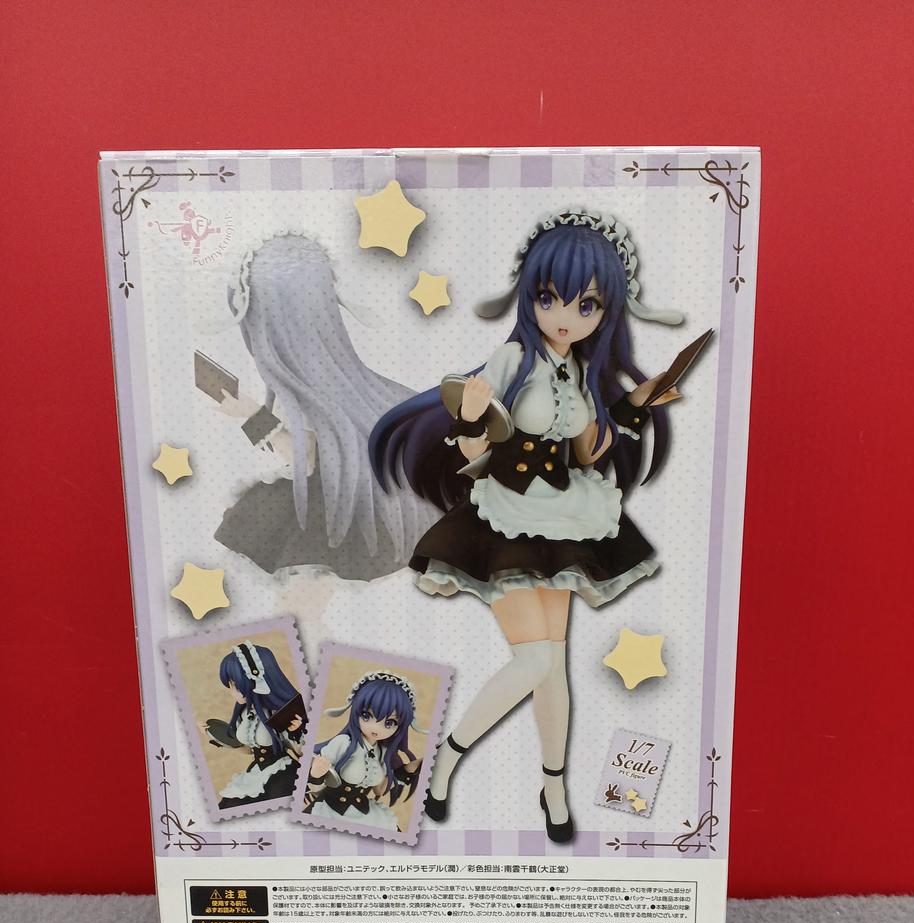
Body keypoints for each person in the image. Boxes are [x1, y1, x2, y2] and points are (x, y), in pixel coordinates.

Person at [370, 208, 686, 843]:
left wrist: (635, 405)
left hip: (564, 516)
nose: (565, 315)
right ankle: (446, 760)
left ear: (605, 311)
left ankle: (554, 788)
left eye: (586, 305)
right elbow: (472, 435)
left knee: (552, 665)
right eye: (549, 298)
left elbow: (587, 451)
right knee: (536, 659)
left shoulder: (582, 370)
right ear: (530, 296)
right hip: (507, 518)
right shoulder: (513, 356)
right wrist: (470, 418)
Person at [212, 233, 436, 579]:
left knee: (254, 522)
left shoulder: (302, 386)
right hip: (371, 514)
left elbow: (305, 457)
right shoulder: (356, 387)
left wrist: (251, 416)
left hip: (336, 519)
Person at [305, 671, 422, 831]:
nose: (376, 728)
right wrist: (316, 774)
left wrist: (407, 771)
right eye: (367, 716)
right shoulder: (343, 743)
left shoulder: (382, 751)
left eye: (389, 723)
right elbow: (315, 788)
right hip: (331, 810)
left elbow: (379, 789)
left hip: (364, 811)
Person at [208, 643, 305, 809]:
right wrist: (218, 738)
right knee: (228, 806)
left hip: (283, 774)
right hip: (256, 771)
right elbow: (249, 750)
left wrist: (295, 732)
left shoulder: (279, 712)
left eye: (234, 684)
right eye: (229, 684)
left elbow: (301, 753)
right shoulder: (244, 712)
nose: (230, 690)